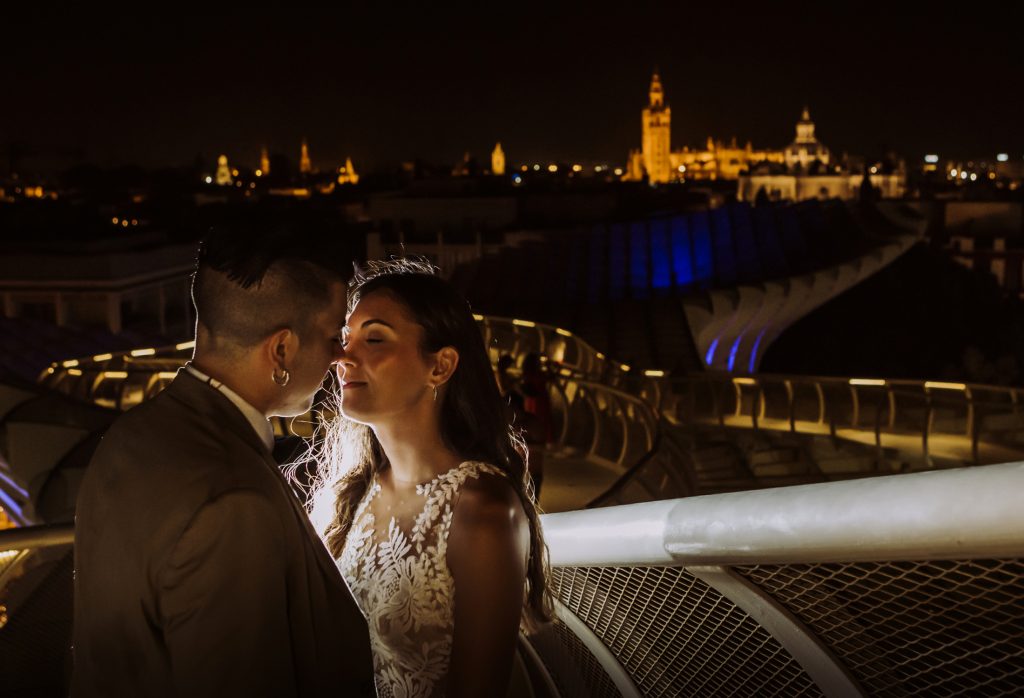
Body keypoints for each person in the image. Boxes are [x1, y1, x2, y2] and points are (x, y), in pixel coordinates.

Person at [72, 225, 373, 697]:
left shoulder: (132, 435)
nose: (340, 355)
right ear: (282, 349)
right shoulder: (234, 505)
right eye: (334, 335)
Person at [310, 259, 552, 697]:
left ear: (439, 367)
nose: (343, 357)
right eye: (346, 339)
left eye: (375, 338)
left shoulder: (483, 512)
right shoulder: (353, 490)